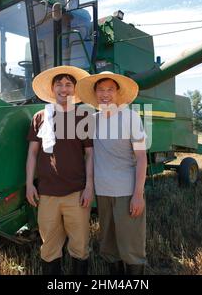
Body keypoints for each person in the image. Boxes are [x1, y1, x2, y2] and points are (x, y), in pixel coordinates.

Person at [76, 71, 148, 275]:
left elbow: (141, 158)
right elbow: (88, 155)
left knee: (131, 247)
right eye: (101, 90)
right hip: (103, 193)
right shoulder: (92, 120)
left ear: (117, 93)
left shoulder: (131, 118)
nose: (105, 94)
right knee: (108, 247)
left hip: (126, 192)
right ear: (95, 93)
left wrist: (138, 195)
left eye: (110, 89)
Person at [26, 66, 94, 275]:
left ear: (74, 89)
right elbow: (32, 154)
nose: (63, 89)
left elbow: (90, 154)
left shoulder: (83, 117)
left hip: (76, 192)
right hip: (47, 194)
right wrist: (29, 184)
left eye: (68, 85)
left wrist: (89, 186)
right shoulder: (40, 117)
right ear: (52, 89)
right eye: (59, 84)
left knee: (80, 246)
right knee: (49, 247)